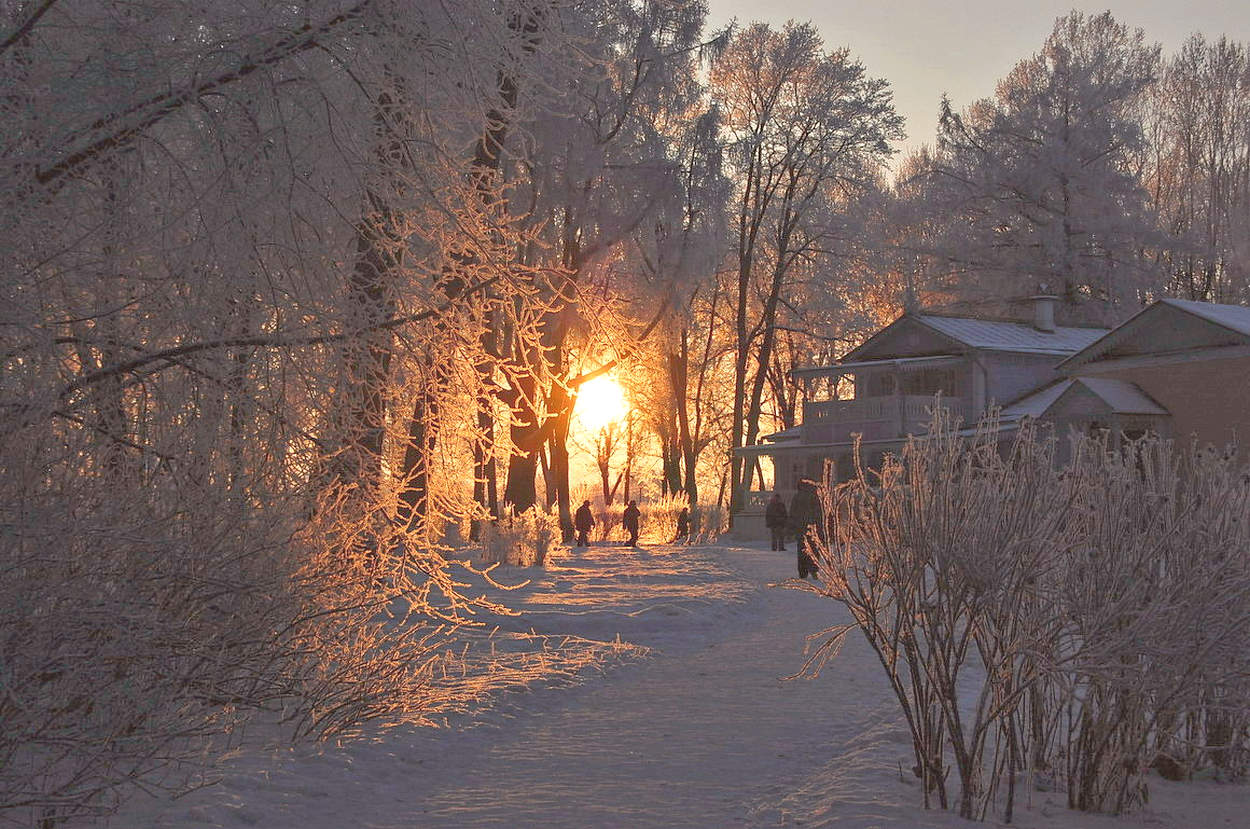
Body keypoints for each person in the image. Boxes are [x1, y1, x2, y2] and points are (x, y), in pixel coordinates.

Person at [788, 479, 820, 579]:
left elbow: (792, 513)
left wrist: (792, 527)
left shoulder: (797, 497)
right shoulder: (814, 497)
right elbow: (819, 513)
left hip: (801, 528)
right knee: (814, 549)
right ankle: (814, 570)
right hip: (812, 528)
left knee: (802, 551)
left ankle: (803, 572)